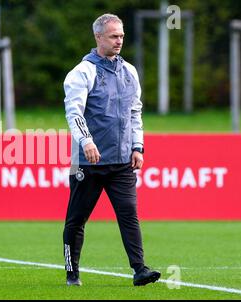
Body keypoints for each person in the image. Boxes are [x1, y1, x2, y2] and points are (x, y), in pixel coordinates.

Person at [62, 13, 161, 286]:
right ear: (98, 37)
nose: (119, 41)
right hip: (87, 162)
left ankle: (140, 269)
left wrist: (138, 147)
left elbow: (135, 112)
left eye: (121, 36)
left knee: (129, 214)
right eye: (113, 36)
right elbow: (74, 112)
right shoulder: (81, 73)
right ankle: (72, 273)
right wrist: (87, 141)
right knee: (77, 219)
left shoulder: (129, 71)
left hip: (121, 162)